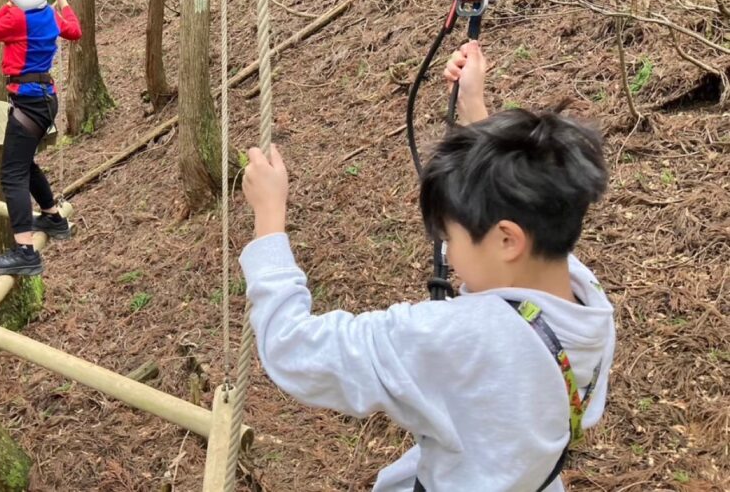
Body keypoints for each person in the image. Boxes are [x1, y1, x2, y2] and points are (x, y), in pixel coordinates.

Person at [239, 41, 616, 491]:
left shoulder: (456, 338)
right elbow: (530, 203)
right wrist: (477, 111)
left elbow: (293, 349)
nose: (447, 252)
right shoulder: (583, 297)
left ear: (506, 240)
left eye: (449, 236)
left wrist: (269, 219)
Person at [0, 0, 82, 276]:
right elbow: (75, 31)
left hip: (29, 103)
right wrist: (62, 2)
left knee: (11, 175)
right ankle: (52, 217)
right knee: (25, 163)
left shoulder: (15, 18)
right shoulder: (50, 16)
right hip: (42, 100)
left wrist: (11, 4)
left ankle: (25, 251)